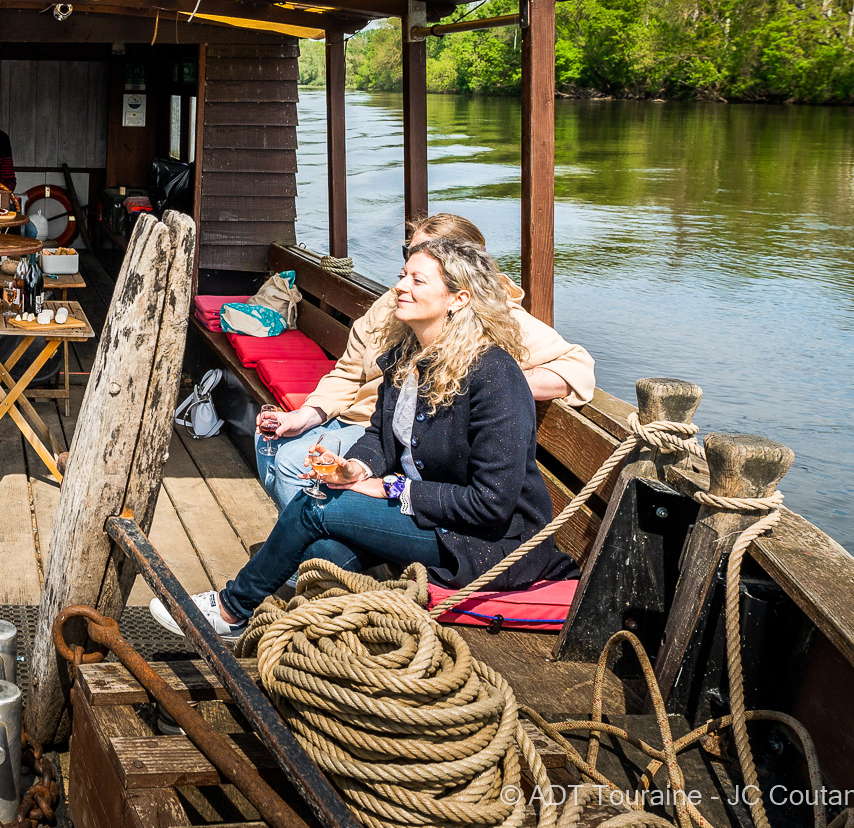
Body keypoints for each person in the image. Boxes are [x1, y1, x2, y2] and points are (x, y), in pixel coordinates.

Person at [154, 238, 578, 642]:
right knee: (322, 552)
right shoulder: (406, 357)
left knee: (315, 505)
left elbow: (492, 503)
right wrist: (355, 467)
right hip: (430, 518)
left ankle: (230, 611)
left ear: (459, 299)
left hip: (482, 542)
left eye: (418, 280)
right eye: (402, 275)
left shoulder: (494, 375)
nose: (400, 287)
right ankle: (292, 642)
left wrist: (388, 487)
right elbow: (379, 435)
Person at [257, 212, 595, 508]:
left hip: (398, 439)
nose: (405, 276)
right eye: (409, 256)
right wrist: (306, 415)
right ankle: (308, 558)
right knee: (269, 438)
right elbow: (347, 372)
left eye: (423, 260)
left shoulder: (497, 316)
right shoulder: (393, 303)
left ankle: (310, 564)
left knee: (292, 461)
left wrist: (482, 386)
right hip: (362, 421)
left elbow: (577, 368)